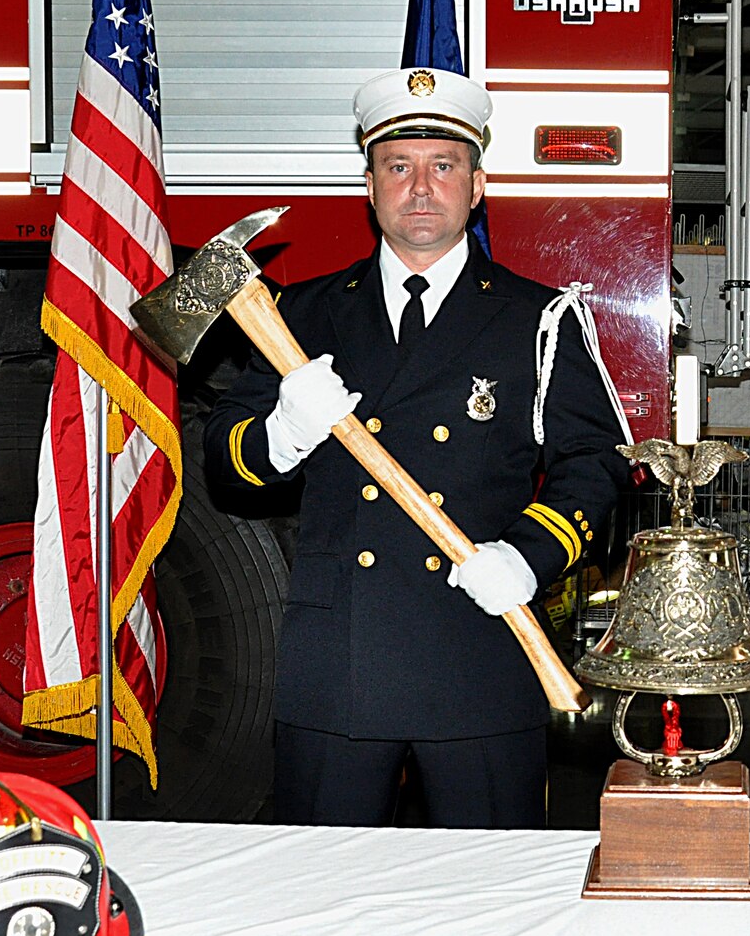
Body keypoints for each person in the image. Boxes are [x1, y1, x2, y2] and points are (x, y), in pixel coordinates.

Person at [206, 67, 632, 828]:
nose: (422, 186)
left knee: (494, 900)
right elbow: (223, 464)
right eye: (399, 167)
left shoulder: (539, 320)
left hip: (480, 647)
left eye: (444, 166)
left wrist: (528, 556)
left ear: (477, 186)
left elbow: (596, 467)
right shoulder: (296, 316)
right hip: (339, 662)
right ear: (369, 186)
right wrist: (282, 434)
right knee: (325, 896)